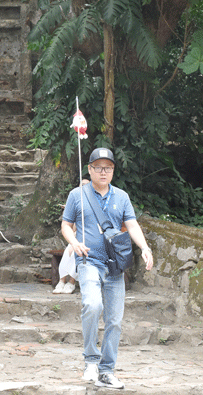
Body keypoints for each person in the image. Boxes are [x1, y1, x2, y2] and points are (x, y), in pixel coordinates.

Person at [61, 148, 154, 389]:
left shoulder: (121, 196)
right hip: (88, 261)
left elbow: (131, 225)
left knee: (114, 320)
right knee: (92, 305)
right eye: (99, 167)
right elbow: (66, 225)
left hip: (115, 265)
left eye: (108, 168)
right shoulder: (77, 195)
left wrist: (144, 247)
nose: (103, 172)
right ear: (90, 169)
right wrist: (74, 243)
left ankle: (107, 369)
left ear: (113, 171)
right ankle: (91, 360)